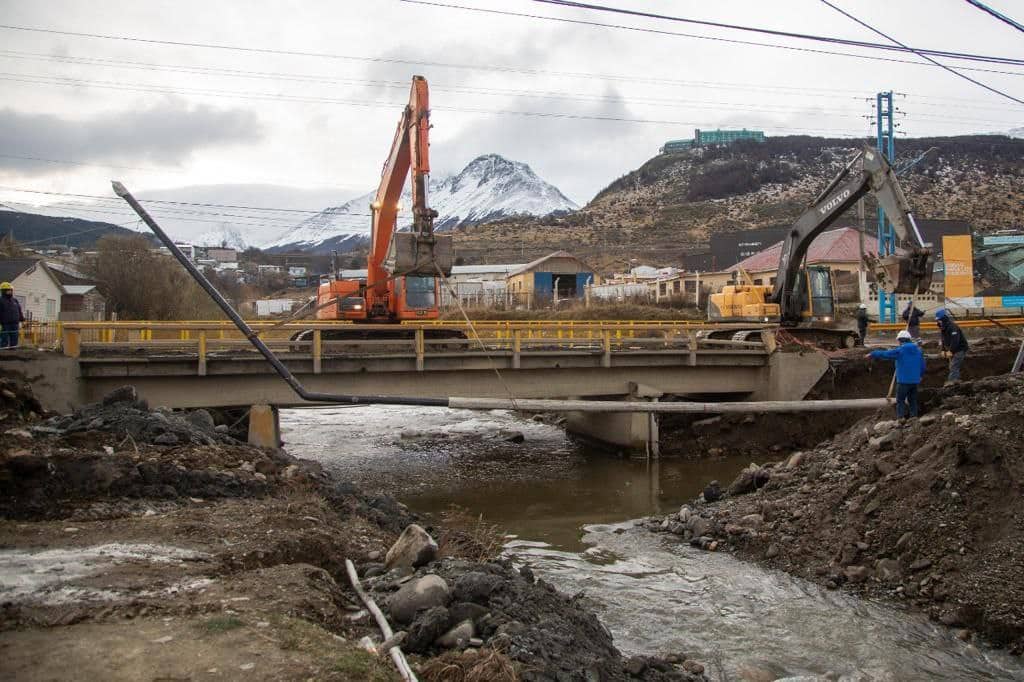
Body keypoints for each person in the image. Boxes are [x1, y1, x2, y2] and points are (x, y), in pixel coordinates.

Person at [867, 330, 926, 419]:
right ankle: (914, 418)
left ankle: (900, 419)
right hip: (915, 381)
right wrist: (920, 376)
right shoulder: (918, 351)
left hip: (903, 382)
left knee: (900, 401)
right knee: (913, 401)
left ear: (900, 340)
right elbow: (922, 365)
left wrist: (873, 353)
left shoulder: (900, 350)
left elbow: (885, 354)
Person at [935, 308, 968, 384]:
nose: (938, 321)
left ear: (943, 318)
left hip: (960, 349)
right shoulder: (943, 327)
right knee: (953, 366)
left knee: (954, 366)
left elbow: (955, 340)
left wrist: (951, 351)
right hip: (952, 349)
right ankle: (956, 381)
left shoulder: (952, 327)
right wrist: (943, 350)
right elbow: (943, 339)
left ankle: (952, 382)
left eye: (939, 319)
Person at [0, 282, 24, 349]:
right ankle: (3, 352)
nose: (10, 291)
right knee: (4, 338)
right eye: (8, 290)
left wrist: (22, 318)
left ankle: (13, 351)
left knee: (15, 337)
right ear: (3, 291)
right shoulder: (1, 300)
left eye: (11, 290)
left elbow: (19, 310)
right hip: (5, 324)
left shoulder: (14, 300)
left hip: (15, 323)